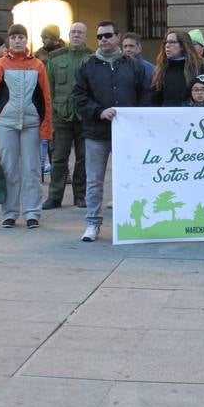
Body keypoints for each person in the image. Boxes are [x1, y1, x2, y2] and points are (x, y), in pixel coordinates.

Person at [73, 20, 151, 242]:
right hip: (96, 133)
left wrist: (135, 118)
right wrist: (98, 111)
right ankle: (92, 224)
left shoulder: (133, 65)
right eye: (99, 37)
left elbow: (145, 94)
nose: (103, 40)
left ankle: (131, 222)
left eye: (107, 35)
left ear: (118, 37)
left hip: (126, 134)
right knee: (94, 180)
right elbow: (79, 96)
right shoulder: (87, 65)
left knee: (130, 179)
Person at [0, 24, 53, 228]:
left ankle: (32, 212)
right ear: (9, 41)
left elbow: (46, 98)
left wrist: (46, 128)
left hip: (31, 123)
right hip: (5, 123)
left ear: (26, 40)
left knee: (32, 169)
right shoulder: (1, 65)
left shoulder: (38, 65)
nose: (18, 41)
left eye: (21, 37)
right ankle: (10, 213)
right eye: (14, 37)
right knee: (9, 169)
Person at [44, 22, 91, 209]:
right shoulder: (56, 58)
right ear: (69, 35)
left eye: (80, 32)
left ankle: (80, 196)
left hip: (84, 116)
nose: (76, 35)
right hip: (61, 115)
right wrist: (51, 114)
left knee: (83, 158)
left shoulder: (93, 57)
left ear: (86, 36)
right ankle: (54, 197)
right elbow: (49, 88)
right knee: (58, 158)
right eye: (73, 32)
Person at [152, 27, 204, 106]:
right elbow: (154, 96)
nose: (167, 45)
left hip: (191, 114)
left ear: (183, 46)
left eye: (172, 42)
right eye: (166, 42)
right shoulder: (161, 67)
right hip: (166, 114)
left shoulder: (198, 65)